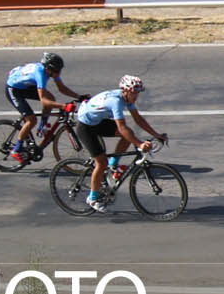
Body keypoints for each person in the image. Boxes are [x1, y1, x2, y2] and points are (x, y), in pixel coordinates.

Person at [70, 74, 166, 211]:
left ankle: (113, 165)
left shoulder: (127, 98)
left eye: (138, 92)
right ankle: (92, 198)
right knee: (101, 163)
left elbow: (138, 119)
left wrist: (156, 135)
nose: (136, 96)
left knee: (128, 134)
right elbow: (121, 127)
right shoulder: (115, 102)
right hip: (85, 127)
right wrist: (139, 144)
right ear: (125, 90)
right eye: (134, 92)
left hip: (97, 121)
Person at [4, 52, 80, 161]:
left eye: (59, 70)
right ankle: (16, 150)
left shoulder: (50, 71)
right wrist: (63, 106)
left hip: (25, 86)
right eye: (56, 71)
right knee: (31, 120)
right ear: (48, 69)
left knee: (51, 98)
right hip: (13, 89)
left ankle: (42, 127)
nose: (58, 73)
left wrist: (79, 96)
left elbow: (62, 88)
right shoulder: (41, 74)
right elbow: (44, 101)